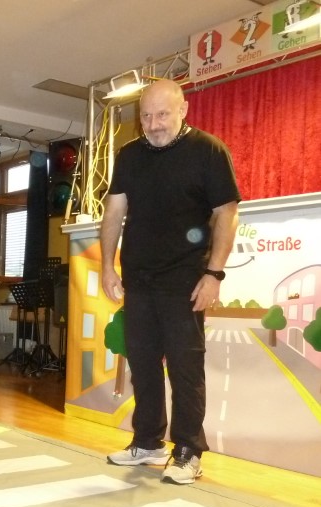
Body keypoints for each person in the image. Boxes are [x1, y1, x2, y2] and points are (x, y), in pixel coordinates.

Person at [100, 78, 240, 485]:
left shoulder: (208, 150)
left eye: (162, 114)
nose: (154, 124)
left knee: (184, 367)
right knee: (143, 363)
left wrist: (214, 273)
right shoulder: (129, 155)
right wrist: (107, 266)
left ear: (183, 110)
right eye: (146, 116)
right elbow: (114, 212)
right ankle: (147, 441)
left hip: (186, 278)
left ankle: (188, 450)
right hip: (139, 278)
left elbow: (227, 213)